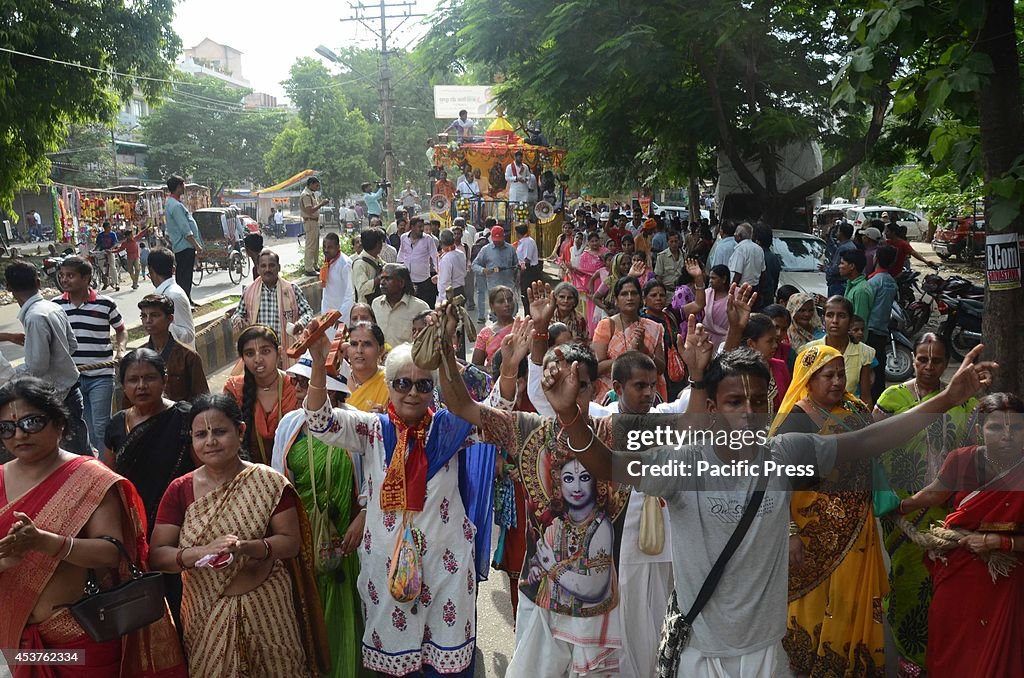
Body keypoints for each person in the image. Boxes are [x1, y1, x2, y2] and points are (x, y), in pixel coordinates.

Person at [541, 320, 994, 678]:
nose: (749, 413)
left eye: (759, 401)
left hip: (764, 652)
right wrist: (569, 415)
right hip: (700, 652)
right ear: (713, 407)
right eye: (735, 401)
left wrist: (948, 397)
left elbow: (871, 440)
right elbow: (611, 468)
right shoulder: (684, 464)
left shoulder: (787, 453)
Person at [430, 318, 629, 677]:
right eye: (559, 384)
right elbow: (461, 406)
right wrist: (445, 349)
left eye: (579, 386)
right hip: (540, 596)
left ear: (594, 388)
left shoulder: (613, 433)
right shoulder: (526, 428)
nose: (570, 394)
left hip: (598, 605)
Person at [302, 338, 487, 676]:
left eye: (422, 384)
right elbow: (319, 421)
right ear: (388, 385)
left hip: (444, 567)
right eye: (402, 383)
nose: (412, 392)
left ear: (434, 390)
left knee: (445, 658)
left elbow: (495, 412)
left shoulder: (451, 427)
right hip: (385, 567)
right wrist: (317, 364)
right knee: (394, 656)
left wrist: (494, 369)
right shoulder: (371, 430)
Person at [0, 376, 188, 676]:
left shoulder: (88, 478)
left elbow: (112, 552)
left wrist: (45, 542)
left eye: (32, 422)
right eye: (6, 428)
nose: (19, 434)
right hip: (19, 637)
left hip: (81, 633)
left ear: (59, 423)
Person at [150, 394, 328, 678]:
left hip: (268, 604)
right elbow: (158, 555)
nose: (210, 441)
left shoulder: (268, 481)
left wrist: (246, 547)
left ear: (240, 431)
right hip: (205, 612)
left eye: (220, 431)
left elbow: (291, 542)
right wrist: (200, 552)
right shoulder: (180, 490)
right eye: (201, 434)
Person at [769, 345, 887, 677]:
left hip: (856, 535)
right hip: (810, 537)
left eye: (840, 373)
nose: (837, 381)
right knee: (813, 608)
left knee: (851, 602)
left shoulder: (856, 408)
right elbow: (778, 484)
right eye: (828, 375)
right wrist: (791, 533)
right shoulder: (794, 421)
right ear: (809, 378)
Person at [893, 392, 1024, 678]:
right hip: (957, 567)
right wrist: (901, 506)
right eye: (995, 427)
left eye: (1015, 427)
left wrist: (998, 542)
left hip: (1005, 576)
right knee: (949, 642)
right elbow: (936, 492)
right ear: (979, 430)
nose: (1006, 435)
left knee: (998, 653)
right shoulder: (963, 460)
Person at [872, 334, 979, 675]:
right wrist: (887, 497)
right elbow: (872, 449)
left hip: (947, 508)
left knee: (942, 582)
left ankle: (941, 650)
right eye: (922, 359)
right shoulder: (892, 397)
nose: (929, 367)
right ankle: (907, 650)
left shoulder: (964, 402)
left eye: (937, 360)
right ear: (913, 360)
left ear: (946, 362)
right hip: (902, 507)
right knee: (906, 576)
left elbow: (977, 455)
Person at [270, 355, 364, 678]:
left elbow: (375, 481)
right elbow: (277, 487)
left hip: (347, 540)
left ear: (333, 391)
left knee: (345, 616)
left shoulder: (358, 425)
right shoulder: (289, 426)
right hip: (302, 540)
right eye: (295, 381)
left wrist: (362, 517)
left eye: (303, 381)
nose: (295, 387)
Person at [4, 262, 91, 456]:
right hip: (69, 389)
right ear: (38, 282)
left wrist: (10, 376)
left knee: (72, 456)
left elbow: (37, 367)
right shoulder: (52, 307)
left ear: (9, 288)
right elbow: (73, 345)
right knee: (80, 450)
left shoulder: (34, 317)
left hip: (57, 396)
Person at [54, 256, 127, 456]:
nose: (65, 280)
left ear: (86, 278)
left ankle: (107, 471)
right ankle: (100, 463)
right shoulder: (54, 307)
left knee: (101, 425)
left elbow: (121, 330)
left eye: (71, 275)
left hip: (101, 374)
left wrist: (120, 350)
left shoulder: (105, 304)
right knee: (85, 427)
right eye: (62, 276)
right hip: (73, 378)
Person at [223, 325, 299, 465]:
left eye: (265, 351)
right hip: (251, 475)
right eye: (250, 353)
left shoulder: (296, 387)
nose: (258, 359)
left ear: (279, 352)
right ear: (242, 359)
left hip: (295, 473)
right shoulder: (234, 390)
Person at [232, 249, 315, 368]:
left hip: (285, 352)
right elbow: (237, 314)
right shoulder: (249, 291)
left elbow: (308, 312)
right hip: (260, 354)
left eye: (271, 265)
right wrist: (238, 320)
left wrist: (300, 323)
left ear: (278, 267)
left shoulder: (291, 290)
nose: (267, 270)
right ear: (258, 269)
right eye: (263, 266)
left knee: (287, 384)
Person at [592, 276, 667, 404]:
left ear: (640, 298)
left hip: (646, 396)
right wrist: (628, 356)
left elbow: (660, 369)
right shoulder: (606, 326)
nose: (630, 298)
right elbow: (597, 368)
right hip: (613, 397)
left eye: (634, 293)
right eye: (624, 294)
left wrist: (644, 350)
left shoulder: (654, 327)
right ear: (616, 300)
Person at [802, 296, 876, 407]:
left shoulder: (863, 352)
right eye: (830, 315)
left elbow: (865, 397)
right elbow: (802, 391)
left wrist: (866, 421)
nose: (835, 321)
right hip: (814, 414)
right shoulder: (810, 350)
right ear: (823, 319)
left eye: (841, 316)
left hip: (849, 415)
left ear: (850, 321)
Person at [138, 294, 209, 403]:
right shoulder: (138, 358)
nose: (148, 320)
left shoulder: (188, 357)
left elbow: (202, 401)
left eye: (155, 315)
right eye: (143, 316)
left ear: (170, 319)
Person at [865, 245, 898, 402]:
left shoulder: (873, 282)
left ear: (876, 258)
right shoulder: (892, 282)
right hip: (882, 330)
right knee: (879, 369)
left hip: (870, 330)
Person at [640, 278, 684, 397]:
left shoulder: (670, 315)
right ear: (644, 300)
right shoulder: (641, 322)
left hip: (675, 374)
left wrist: (698, 279)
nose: (658, 298)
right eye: (653, 295)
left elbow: (699, 305)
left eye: (662, 295)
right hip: (653, 374)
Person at [147, 247, 196, 350]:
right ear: (173, 269)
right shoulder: (161, 294)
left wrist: (164, 326)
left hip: (180, 361)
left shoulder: (174, 295)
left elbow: (189, 335)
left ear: (151, 271)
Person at [164, 175, 203, 302]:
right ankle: (184, 302)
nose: (185, 187)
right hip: (184, 245)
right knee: (184, 276)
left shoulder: (172, 203)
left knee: (184, 275)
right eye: (183, 185)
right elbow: (185, 228)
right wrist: (196, 244)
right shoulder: (175, 206)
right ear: (179, 187)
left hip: (182, 245)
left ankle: (187, 300)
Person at [371, 264, 431, 347]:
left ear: (401, 283)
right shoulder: (376, 304)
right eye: (381, 278)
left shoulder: (420, 308)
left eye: (388, 279)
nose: (382, 282)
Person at [473, 225, 521, 318]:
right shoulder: (486, 250)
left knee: (512, 311)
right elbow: (474, 265)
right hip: (494, 289)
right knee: (497, 315)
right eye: (495, 241)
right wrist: (483, 270)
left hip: (509, 287)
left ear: (504, 237)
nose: (497, 243)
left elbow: (516, 264)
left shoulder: (511, 249)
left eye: (499, 241)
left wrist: (517, 269)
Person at [398, 216, 439, 308]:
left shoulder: (428, 239)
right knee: (410, 306)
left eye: (422, 227)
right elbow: (401, 254)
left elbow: (435, 256)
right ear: (412, 227)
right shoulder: (404, 237)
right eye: (419, 227)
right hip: (409, 279)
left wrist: (439, 272)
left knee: (425, 306)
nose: (422, 229)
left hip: (423, 280)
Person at [473, 285, 516, 369]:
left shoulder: (523, 327)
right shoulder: (485, 333)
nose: (507, 304)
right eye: (501, 301)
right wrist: (493, 371)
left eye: (510, 300)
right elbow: (475, 366)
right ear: (492, 306)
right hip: (494, 379)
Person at [320, 232, 355, 328]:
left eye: (330, 247)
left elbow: (350, 294)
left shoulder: (345, 264)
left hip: (340, 317)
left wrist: (340, 315)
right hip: (326, 314)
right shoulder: (327, 261)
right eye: (324, 247)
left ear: (338, 247)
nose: (326, 250)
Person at [300, 176, 330, 276]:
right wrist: (321, 204)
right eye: (316, 185)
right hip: (310, 222)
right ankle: (308, 268)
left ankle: (314, 265)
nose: (317, 187)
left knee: (316, 245)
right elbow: (310, 210)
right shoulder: (306, 195)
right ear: (311, 184)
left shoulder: (312, 195)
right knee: (311, 245)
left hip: (315, 222)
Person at [840, 248, 874, 325]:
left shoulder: (861, 290)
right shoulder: (851, 284)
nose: (839, 266)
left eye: (842, 263)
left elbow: (858, 322)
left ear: (852, 266)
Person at [352, 228, 385, 305]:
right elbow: (362, 289)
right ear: (377, 244)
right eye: (380, 242)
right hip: (366, 307)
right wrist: (379, 278)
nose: (382, 245)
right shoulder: (359, 264)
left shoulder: (377, 259)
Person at [728, 222, 765, 288]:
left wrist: (732, 289)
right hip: (755, 287)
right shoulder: (759, 249)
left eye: (736, 232)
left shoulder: (740, 249)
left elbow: (738, 273)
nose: (734, 234)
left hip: (741, 287)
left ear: (740, 236)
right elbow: (763, 272)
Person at [437, 228, 468, 306]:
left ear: (441, 243)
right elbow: (463, 272)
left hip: (451, 293)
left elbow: (445, 282)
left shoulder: (446, 258)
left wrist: (442, 299)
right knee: (460, 316)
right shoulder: (461, 253)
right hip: (461, 290)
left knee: (452, 317)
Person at [824, 221, 856, 297]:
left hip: (838, 284)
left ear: (841, 233)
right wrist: (829, 235)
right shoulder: (848, 245)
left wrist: (826, 269)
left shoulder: (844, 248)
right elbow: (832, 249)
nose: (836, 233)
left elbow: (835, 269)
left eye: (838, 231)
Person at [515, 222, 541, 314]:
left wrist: (520, 269)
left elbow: (527, 260)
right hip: (525, 271)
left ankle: (529, 316)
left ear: (518, 233)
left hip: (529, 272)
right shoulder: (523, 242)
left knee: (527, 295)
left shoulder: (528, 242)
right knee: (524, 295)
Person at [94, 221, 122, 291]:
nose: (110, 228)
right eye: (108, 227)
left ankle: (116, 283)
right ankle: (105, 282)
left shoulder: (113, 234)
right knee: (99, 266)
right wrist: (94, 250)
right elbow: (98, 244)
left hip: (110, 251)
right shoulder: (100, 235)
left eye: (110, 227)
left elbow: (115, 243)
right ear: (105, 228)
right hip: (102, 252)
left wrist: (110, 249)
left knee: (112, 266)